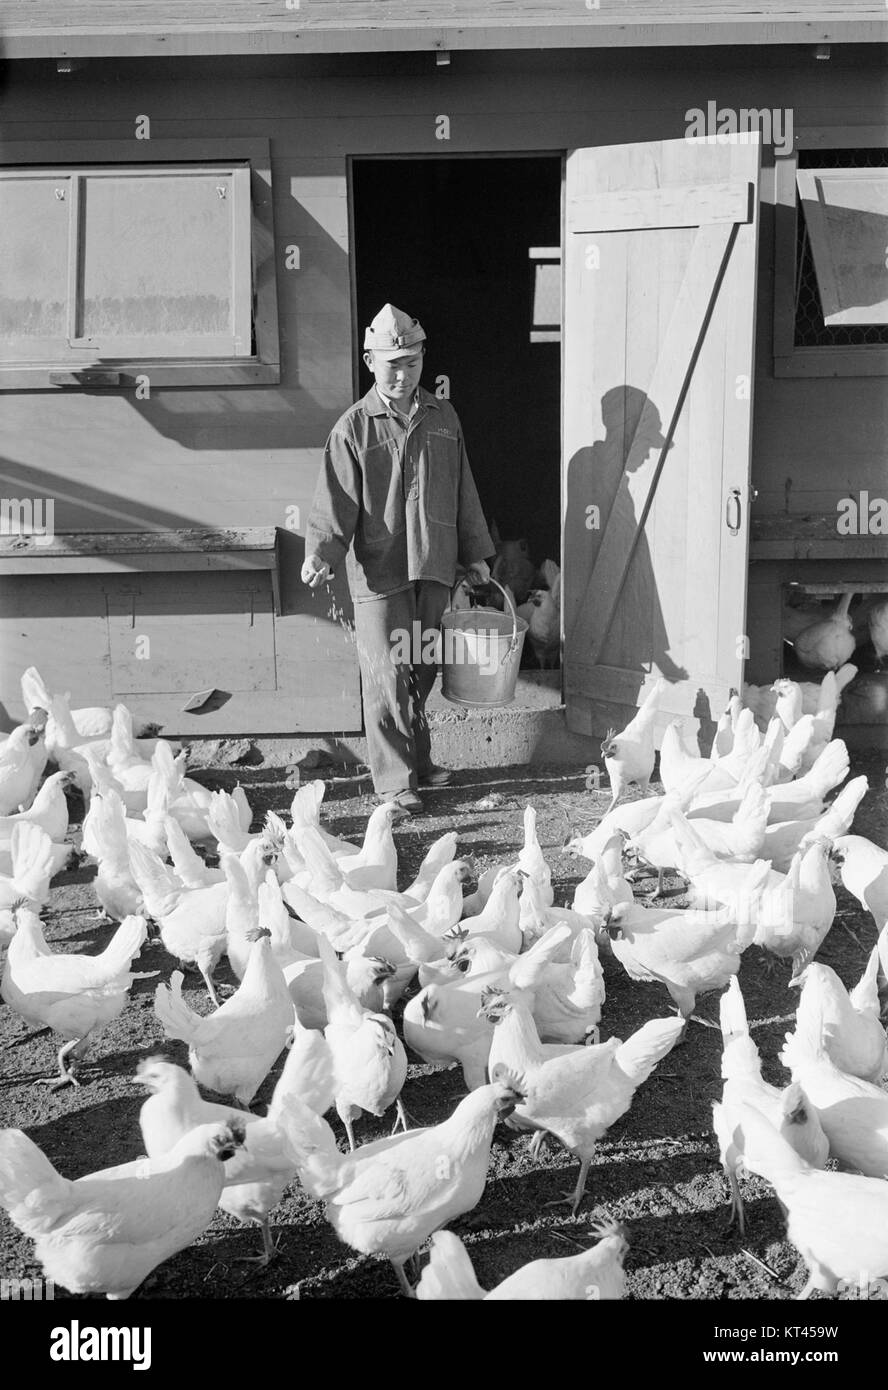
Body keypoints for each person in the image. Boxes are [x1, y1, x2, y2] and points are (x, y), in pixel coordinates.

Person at [302, 304, 494, 815]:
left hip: (434, 562)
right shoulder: (353, 429)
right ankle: (392, 782)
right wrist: (322, 552)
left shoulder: (443, 417)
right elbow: (334, 499)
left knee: (424, 668)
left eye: (411, 361)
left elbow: (463, 488)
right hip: (379, 570)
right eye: (392, 362)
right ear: (370, 360)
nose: (403, 372)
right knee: (386, 675)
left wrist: (474, 554)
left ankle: (420, 762)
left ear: (422, 358)